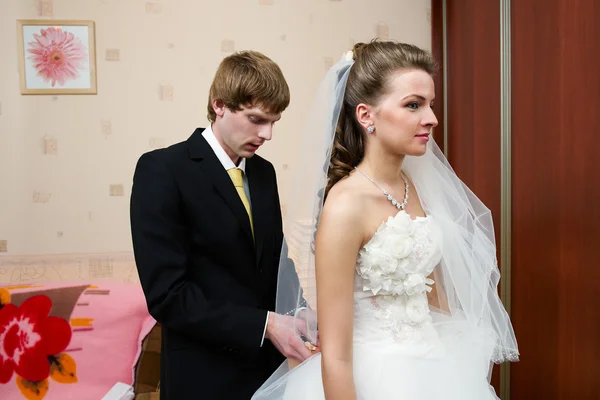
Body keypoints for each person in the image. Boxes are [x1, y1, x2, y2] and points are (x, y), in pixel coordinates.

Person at [252, 40, 519, 400]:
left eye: (430, 104)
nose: (431, 118)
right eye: (413, 105)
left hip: (434, 370)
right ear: (366, 116)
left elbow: (434, 300)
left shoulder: (417, 186)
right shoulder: (345, 206)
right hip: (374, 378)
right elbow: (336, 353)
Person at [130, 50, 315, 400]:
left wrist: (299, 309)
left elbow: (275, 260)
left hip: (268, 373)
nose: (268, 134)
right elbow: (168, 296)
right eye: (257, 119)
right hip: (202, 376)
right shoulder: (163, 170)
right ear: (220, 105)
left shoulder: (263, 173)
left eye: (274, 121)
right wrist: (267, 324)